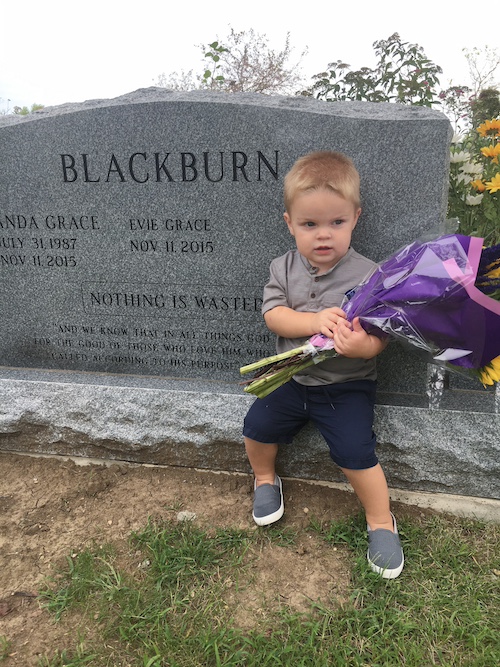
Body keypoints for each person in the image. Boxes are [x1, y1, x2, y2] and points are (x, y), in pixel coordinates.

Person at [243, 151, 404, 579]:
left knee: (355, 452)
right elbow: (273, 315)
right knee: (256, 427)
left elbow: (378, 340)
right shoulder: (283, 267)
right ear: (289, 223)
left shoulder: (371, 275)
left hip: (346, 384)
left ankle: (381, 521)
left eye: (337, 223)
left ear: (356, 217)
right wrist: (314, 320)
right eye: (309, 224)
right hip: (291, 377)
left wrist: (359, 346)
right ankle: (264, 478)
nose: (323, 235)